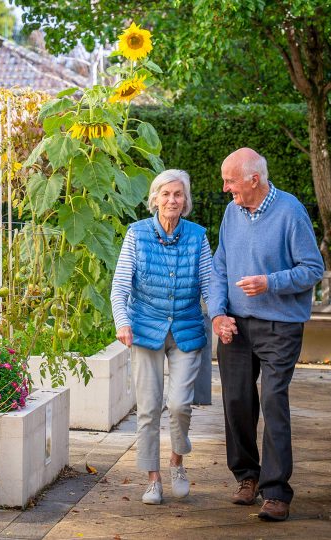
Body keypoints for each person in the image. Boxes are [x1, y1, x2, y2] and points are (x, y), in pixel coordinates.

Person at [209, 148, 324, 522]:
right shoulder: (232, 213)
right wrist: (218, 314)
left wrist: (269, 283)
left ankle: (276, 492)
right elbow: (220, 266)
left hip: (280, 326)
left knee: (273, 400)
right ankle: (247, 477)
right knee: (237, 403)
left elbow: (312, 269)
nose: (226, 188)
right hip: (236, 327)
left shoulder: (290, 212)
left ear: (253, 179)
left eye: (231, 181)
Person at [110, 169, 212, 505]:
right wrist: (122, 321)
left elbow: (210, 286)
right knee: (150, 407)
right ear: (154, 199)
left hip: (186, 327)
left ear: (186, 201)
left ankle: (177, 462)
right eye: (166, 194)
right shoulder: (137, 234)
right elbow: (121, 285)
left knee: (180, 404)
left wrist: (220, 316)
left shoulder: (198, 236)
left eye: (178, 195)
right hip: (146, 328)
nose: (172, 200)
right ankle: (153, 479)